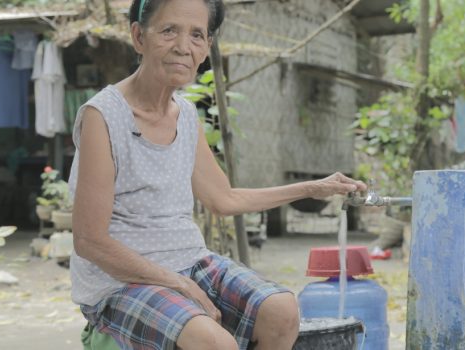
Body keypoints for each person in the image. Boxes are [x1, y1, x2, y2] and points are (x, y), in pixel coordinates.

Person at [69, 0, 367, 349]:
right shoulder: (103, 116)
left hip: (189, 260)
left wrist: (313, 188)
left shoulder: (186, 114)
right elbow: (89, 241)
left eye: (197, 35)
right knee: (216, 344)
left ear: (207, 47)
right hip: (120, 280)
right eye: (169, 31)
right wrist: (177, 284)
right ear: (138, 36)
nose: (183, 46)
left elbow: (223, 199)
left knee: (282, 310)